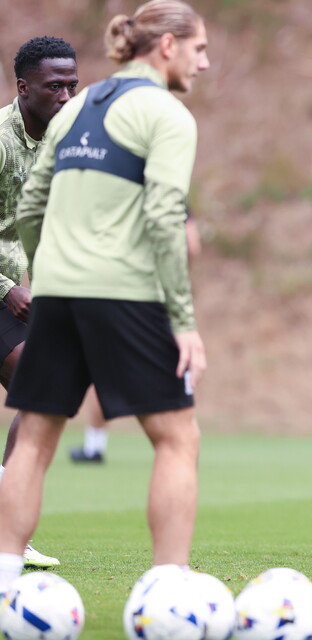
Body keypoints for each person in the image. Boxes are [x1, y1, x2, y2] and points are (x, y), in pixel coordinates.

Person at [0, 0, 209, 592]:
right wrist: (183, 319)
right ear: (166, 47)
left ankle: (4, 578)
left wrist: (51, 271)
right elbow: (168, 216)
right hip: (123, 293)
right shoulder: (167, 116)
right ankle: (168, 591)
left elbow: (32, 208)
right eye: (198, 49)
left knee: (35, 440)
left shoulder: (76, 108)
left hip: (59, 292)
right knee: (176, 438)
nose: (205, 61)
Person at [0, 36, 80, 569]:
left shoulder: (62, 139)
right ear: (23, 87)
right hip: (4, 289)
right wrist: (9, 289)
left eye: (73, 85)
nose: (67, 96)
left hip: (12, 286)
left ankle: (7, 524)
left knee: (41, 389)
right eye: (55, 86)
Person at [69, 215, 202, 464]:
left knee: (103, 372)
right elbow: (191, 244)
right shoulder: (169, 193)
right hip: (159, 299)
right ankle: (179, 441)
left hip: (123, 296)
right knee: (171, 370)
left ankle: (94, 446)